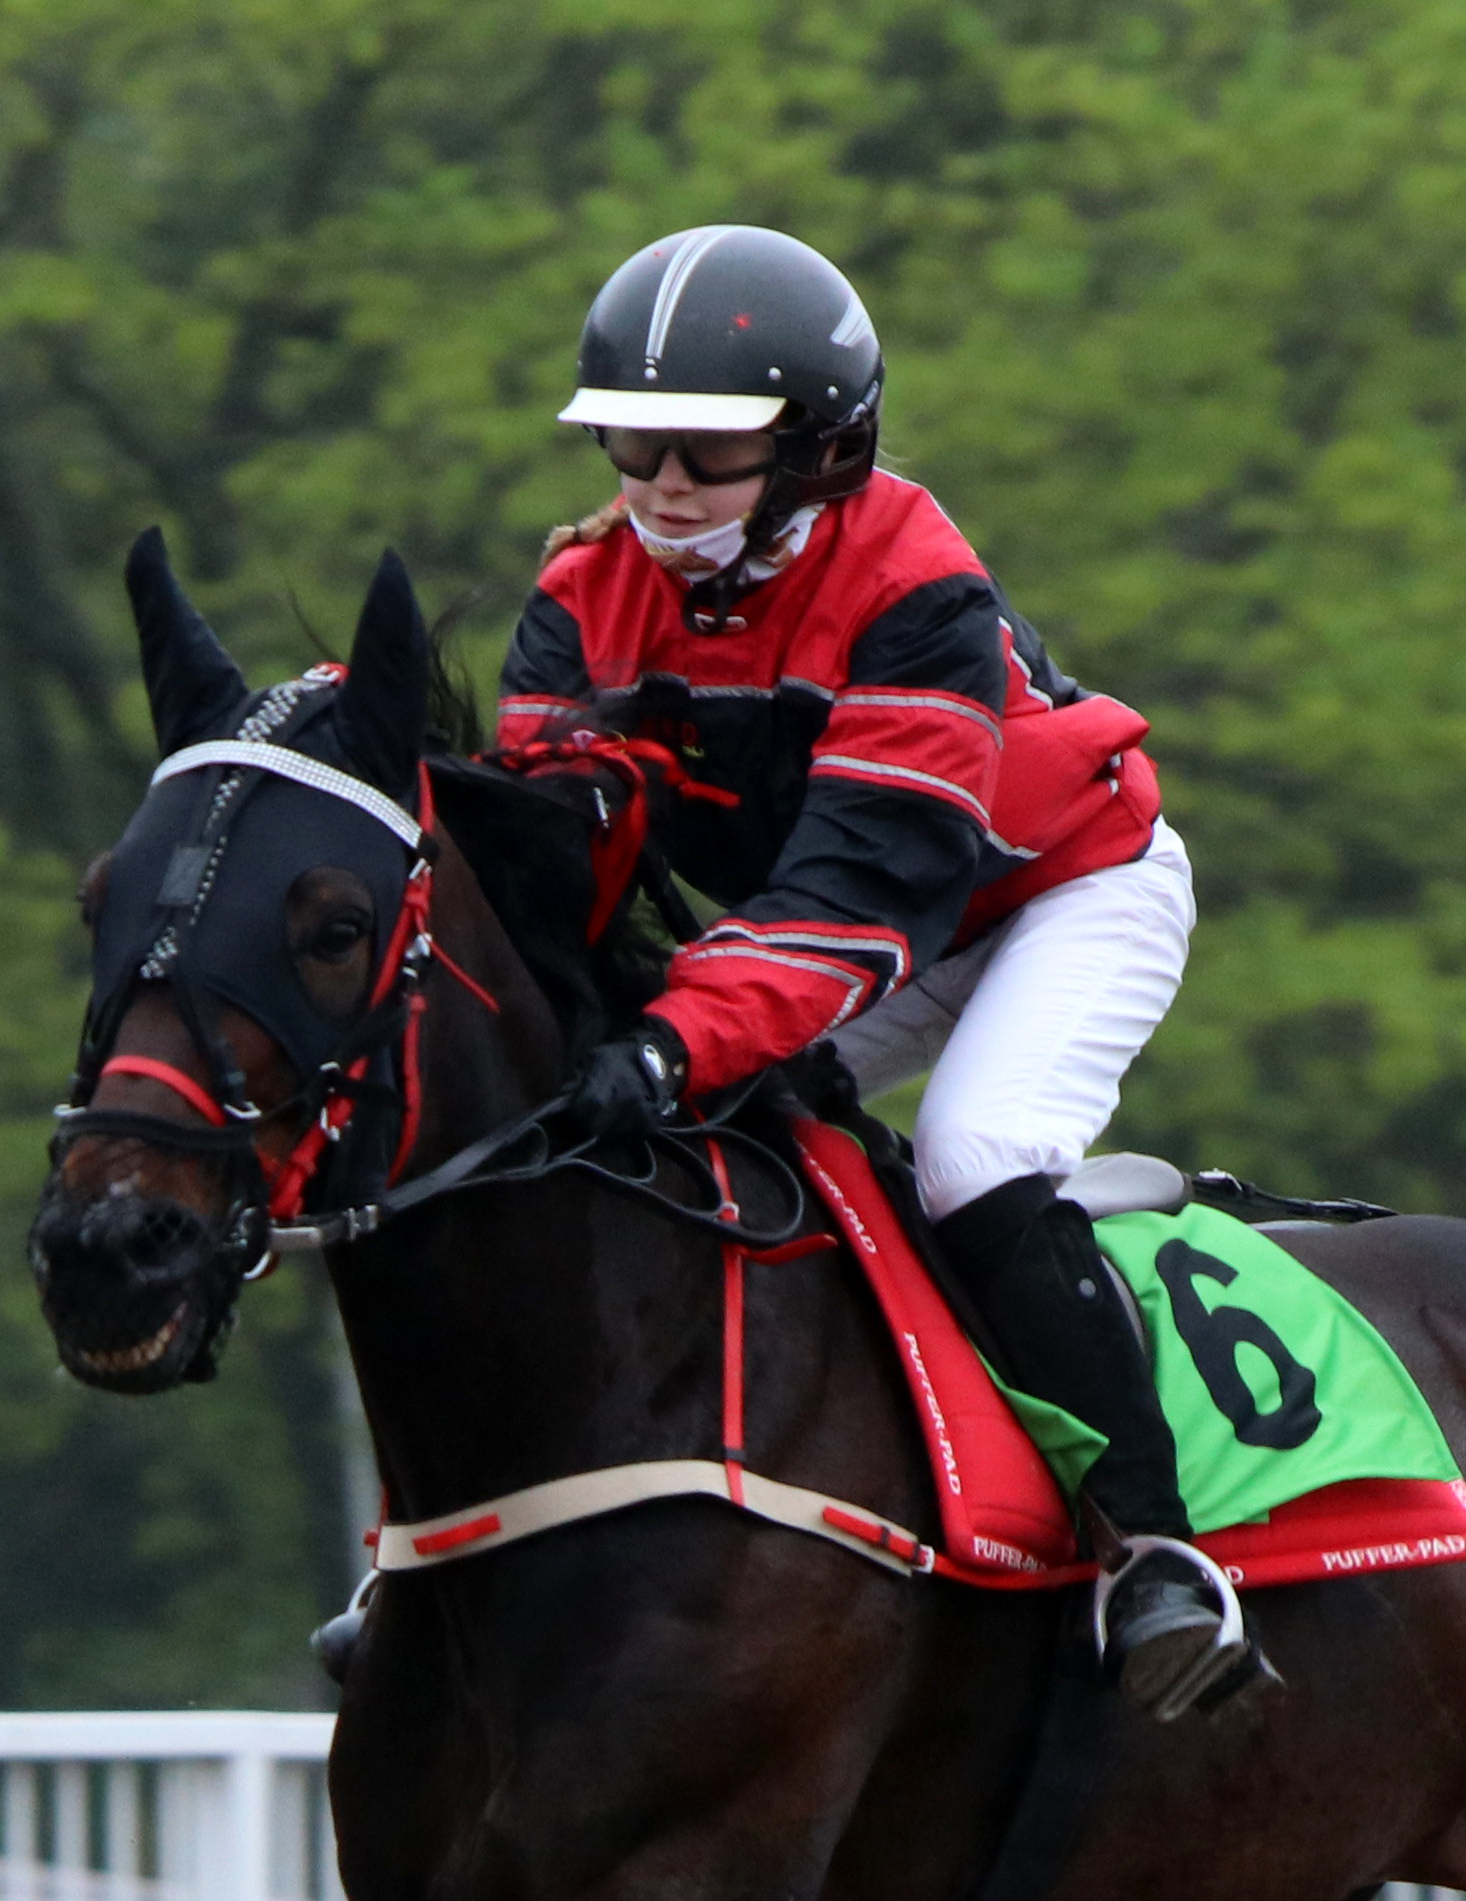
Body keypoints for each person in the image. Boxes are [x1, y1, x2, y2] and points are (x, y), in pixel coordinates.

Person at [499, 223, 1254, 1719]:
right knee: (691, 1143)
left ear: (822, 451)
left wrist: (667, 1042)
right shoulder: (585, 591)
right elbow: (544, 840)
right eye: (632, 442)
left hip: (1058, 893)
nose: (657, 483)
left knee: (974, 1155)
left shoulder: (919, 587)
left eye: (704, 455)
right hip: (841, 922)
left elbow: (861, 896)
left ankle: (1161, 1551)